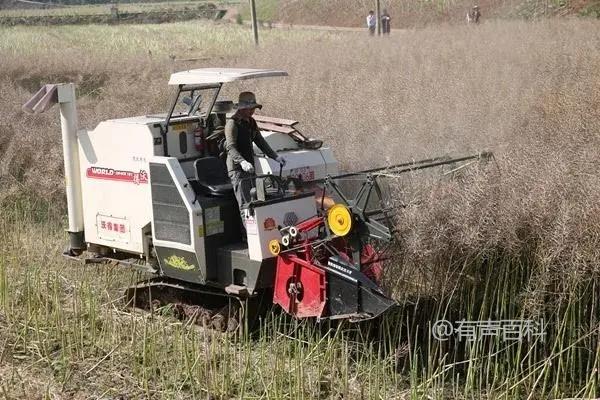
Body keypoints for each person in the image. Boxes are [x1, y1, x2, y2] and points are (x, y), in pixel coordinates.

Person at [224, 92, 286, 217]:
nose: (253, 111)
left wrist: (275, 156)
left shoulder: (251, 122)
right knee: (246, 205)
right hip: (237, 170)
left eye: (254, 108)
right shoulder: (232, 124)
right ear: (242, 108)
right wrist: (242, 162)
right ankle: (248, 235)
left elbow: (260, 141)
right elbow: (230, 147)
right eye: (250, 108)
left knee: (256, 201)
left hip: (250, 168)